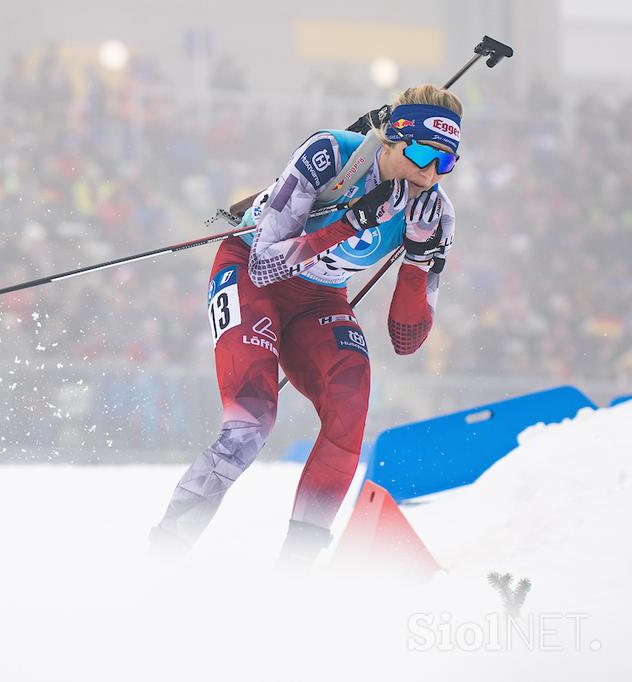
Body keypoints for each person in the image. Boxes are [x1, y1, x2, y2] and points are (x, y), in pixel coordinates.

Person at [151, 85, 462, 567]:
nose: (429, 173)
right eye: (422, 153)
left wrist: (418, 258)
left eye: (446, 163)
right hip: (253, 273)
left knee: (350, 408)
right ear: (392, 140)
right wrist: (352, 221)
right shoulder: (331, 156)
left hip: (320, 297)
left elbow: (407, 341)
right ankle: (163, 554)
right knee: (250, 424)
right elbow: (265, 265)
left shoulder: (434, 214)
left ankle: (292, 576)